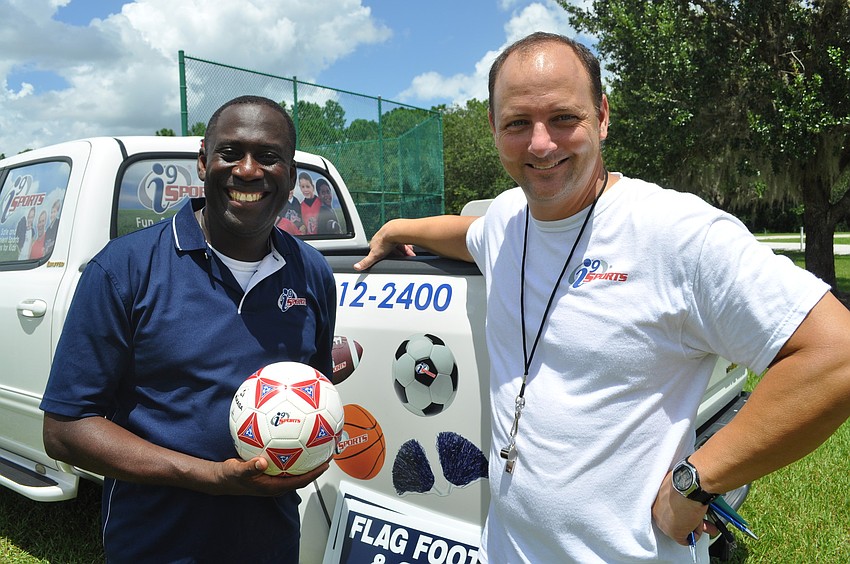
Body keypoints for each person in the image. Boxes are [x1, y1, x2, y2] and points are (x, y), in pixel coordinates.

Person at [354, 32, 850, 563]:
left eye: (564, 118)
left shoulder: (673, 233)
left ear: (603, 116)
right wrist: (398, 228)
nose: (541, 144)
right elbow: (468, 233)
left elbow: (835, 354)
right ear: (495, 130)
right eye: (518, 123)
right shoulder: (505, 220)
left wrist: (696, 480)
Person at [40, 95, 337, 563]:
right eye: (230, 153)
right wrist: (210, 476)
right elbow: (66, 427)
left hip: (271, 543)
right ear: (203, 162)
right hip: (155, 545)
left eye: (268, 156)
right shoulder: (124, 269)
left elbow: (313, 394)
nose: (247, 170)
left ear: (292, 175)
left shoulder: (312, 273)